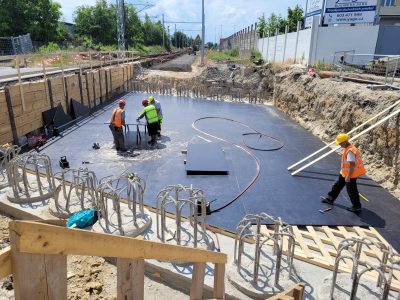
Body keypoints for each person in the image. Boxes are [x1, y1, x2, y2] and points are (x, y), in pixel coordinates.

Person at [320, 133, 366, 213]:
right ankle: (330, 199)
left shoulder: (350, 151)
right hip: (345, 173)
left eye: (340, 143)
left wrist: (348, 177)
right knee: (337, 185)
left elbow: (352, 165)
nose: (339, 145)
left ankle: (356, 206)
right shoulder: (348, 147)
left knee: (351, 191)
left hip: (351, 175)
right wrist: (343, 172)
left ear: (344, 142)